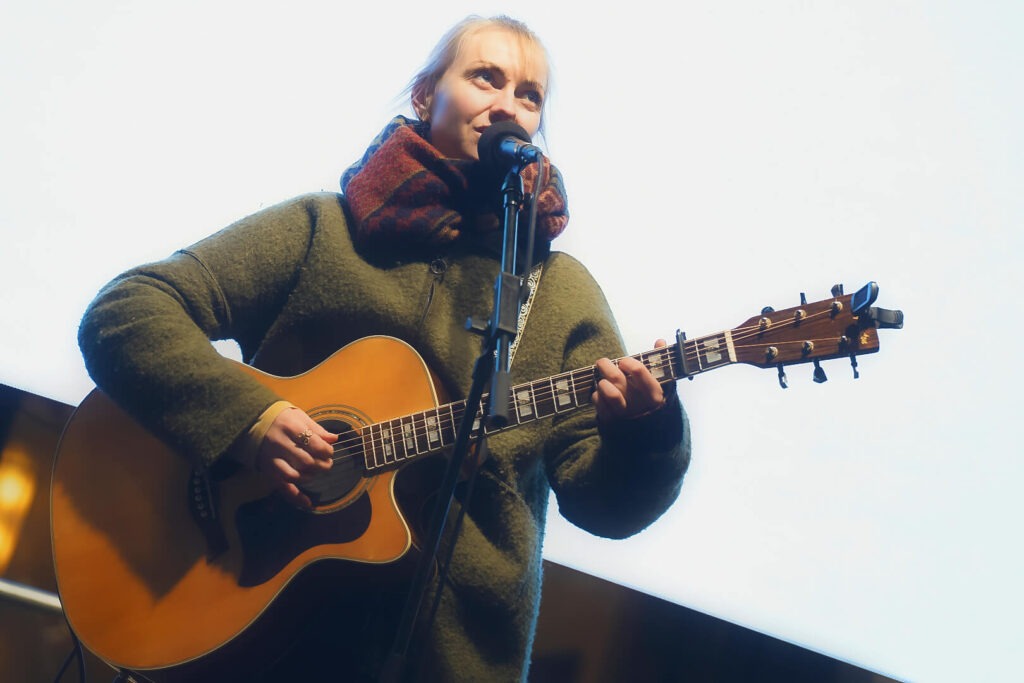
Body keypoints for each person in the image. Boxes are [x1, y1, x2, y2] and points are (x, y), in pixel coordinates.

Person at [78, 15, 690, 682]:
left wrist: (647, 435)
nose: (508, 103)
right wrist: (250, 422)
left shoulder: (560, 292)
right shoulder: (323, 231)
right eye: (487, 77)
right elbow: (126, 312)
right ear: (426, 96)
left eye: (530, 94)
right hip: (248, 636)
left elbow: (605, 507)